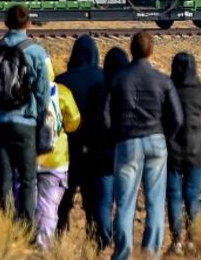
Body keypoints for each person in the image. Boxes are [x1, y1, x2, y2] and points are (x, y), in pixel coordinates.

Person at [105, 31, 183, 260]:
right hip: (156, 140)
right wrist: (164, 135)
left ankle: (123, 252)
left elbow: (105, 116)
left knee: (125, 202)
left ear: (132, 50)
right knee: (155, 202)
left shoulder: (118, 79)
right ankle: (151, 252)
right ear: (151, 51)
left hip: (127, 140)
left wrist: (115, 137)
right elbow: (177, 118)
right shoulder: (163, 80)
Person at [0, 4, 51, 224]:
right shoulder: (36, 51)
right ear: (28, 23)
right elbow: (42, 91)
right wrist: (36, 115)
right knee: (28, 178)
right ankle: (27, 228)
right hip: (25, 122)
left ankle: (8, 224)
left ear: (6, 23)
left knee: (5, 178)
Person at [55, 35, 104, 235]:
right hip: (95, 148)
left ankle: (60, 235)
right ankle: (94, 240)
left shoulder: (61, 81)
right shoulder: (103, 78)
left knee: (63, 200)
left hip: (68, 150)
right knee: (92, 200)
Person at [168, 51, 201, 254]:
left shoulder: (169, 90)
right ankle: (193, 240)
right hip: (196, 149)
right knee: (193, 196)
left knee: (174, 196)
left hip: (172, 149)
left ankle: (176, 240)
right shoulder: (200, 92)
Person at [86, 47, 130, 250]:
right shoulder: (129, 88)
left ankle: (104, 239)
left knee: (104, 199)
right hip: (126, 149)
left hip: (103, 150)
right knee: (124, 199)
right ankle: (122, 239)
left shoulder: (99, 88)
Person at [35, 68, 82, 247]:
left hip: (29, 157)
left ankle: (26, 244)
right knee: (49, 207)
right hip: (55, 158)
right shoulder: (61, 92)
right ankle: (43, 247)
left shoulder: (24, 90)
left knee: (27, 203)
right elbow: (74, 122)